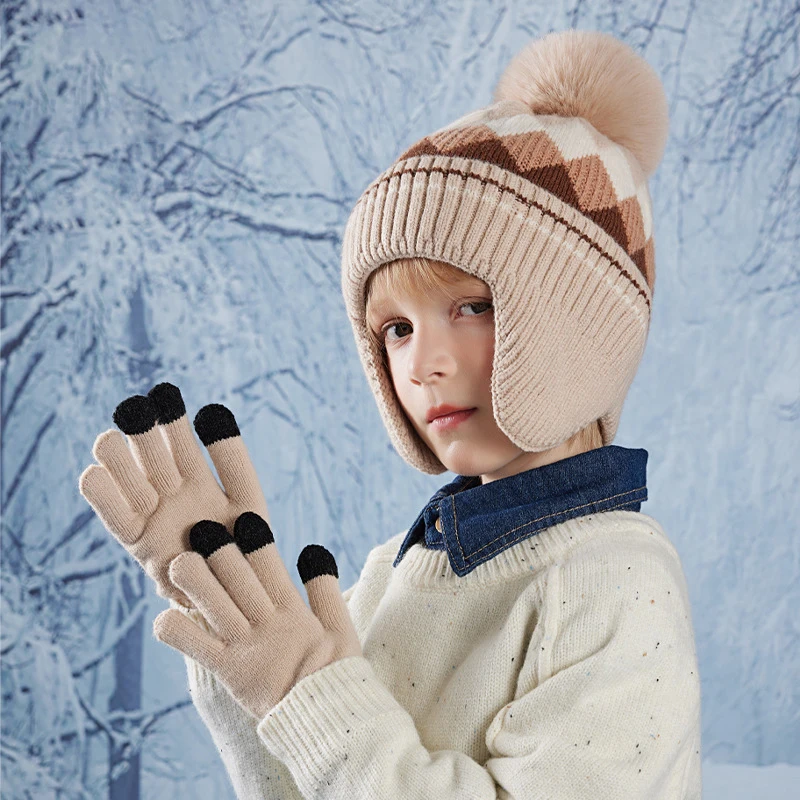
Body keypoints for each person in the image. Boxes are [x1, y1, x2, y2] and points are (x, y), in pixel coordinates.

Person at [79, 28, 702, 798]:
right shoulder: (397, 570)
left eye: (470, 306)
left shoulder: (607, 580)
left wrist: (308, 689)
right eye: (395, 328)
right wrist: (241, 633)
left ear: (581, 329)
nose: (417, 362)